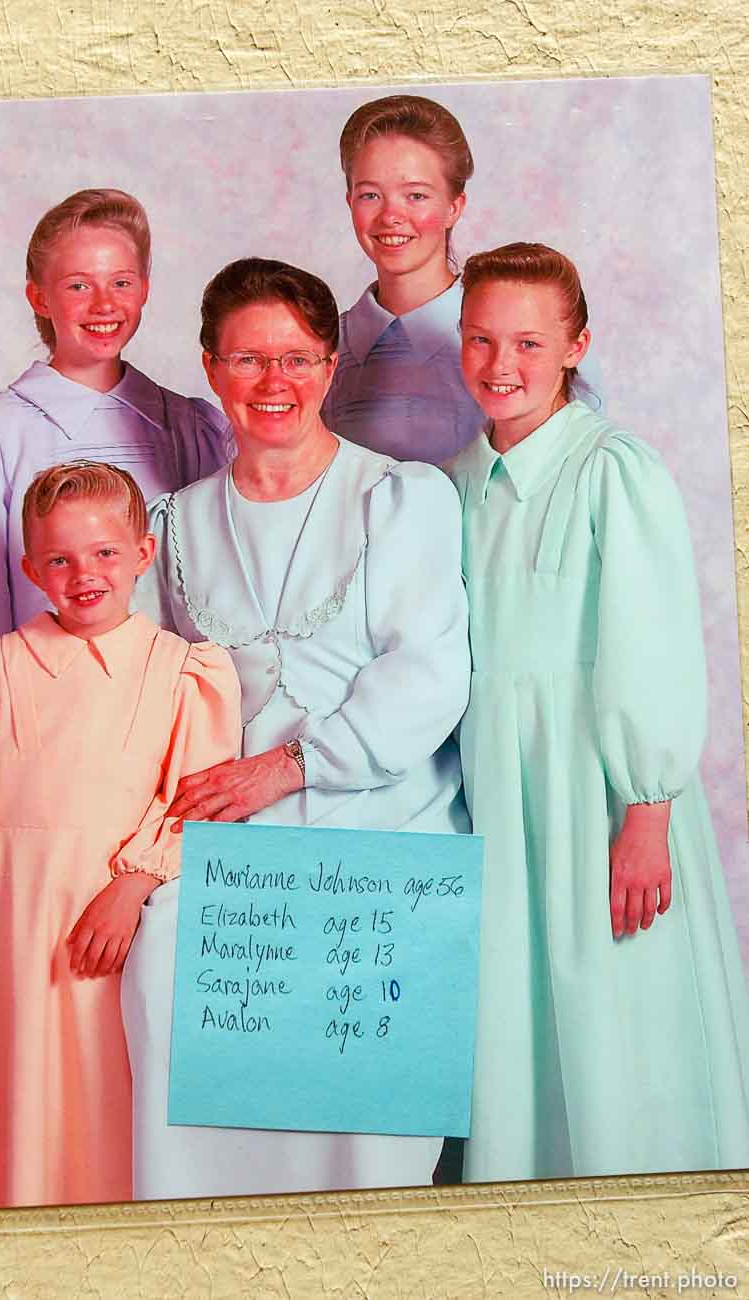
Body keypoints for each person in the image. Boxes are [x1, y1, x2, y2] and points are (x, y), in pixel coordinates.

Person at [123, 256, 471, 1198]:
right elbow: (153, 695)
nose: (273, 383)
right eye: (247, 359)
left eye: (297, 359)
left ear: (328, 368)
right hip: (234, 839)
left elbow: (429, 672)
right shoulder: (175, 523)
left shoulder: (400, 497)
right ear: (208, 366)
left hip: (383, 824)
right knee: (157, 965)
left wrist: (289, 766)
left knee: (359, 1075)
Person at [446, 241, 749, 1182]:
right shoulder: (451, 481)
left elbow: (650, 641)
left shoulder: (613, 469)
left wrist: (646, 809)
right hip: (496, 780)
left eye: (530, 343)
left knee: (610, 996)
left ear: (578, 344)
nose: (503, 366)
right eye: (482, 340)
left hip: (593, 782)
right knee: (516, 1002)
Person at [0, 462, 241, 1211]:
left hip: (120, 930)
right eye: (58, 559)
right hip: (5, 931)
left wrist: (130, 886)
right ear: (29, 568)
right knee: (6, 1104)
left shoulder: (185, 671)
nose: (83, 575)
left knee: (104, 1106)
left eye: (103, 554)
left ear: (144, 553)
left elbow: (197, 804)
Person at [0, 188, 232, 669]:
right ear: (39, 297)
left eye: (121, 283)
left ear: (145, 288)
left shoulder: (193, 429)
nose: (104, 304)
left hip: (171, 717)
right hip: (44, 723)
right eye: (79, 286)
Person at [320, 94, 480, 463]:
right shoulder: (320, 350)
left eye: (416, 195)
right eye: (371, 195)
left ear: (454, 207)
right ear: (350, 202)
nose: (392, 215)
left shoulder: (517, 342)